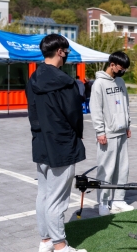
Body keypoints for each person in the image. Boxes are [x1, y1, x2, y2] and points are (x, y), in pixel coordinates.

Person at [26, 34, 87, 252]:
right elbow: (74, 114)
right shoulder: (65, 81)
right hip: (61, 143)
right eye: (67, 50)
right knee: (57, 198)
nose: (68, 54)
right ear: (60, 51)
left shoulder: (33, 79)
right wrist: (78, 135)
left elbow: (31, 112)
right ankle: (60, 245)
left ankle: (45, 241)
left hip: (40, 141)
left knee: (43, 194)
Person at [90, 51, 134, 216]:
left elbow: (126, 104)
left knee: (123, 168)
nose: (122, 71)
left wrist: (128, 124)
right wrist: (100, 131)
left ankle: (118, 200)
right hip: (107, 134)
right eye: (121, 68)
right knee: (106, 170)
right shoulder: (99, 84)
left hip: (121, 132)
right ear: (112, 64)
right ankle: (103, 202)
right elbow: (96, 110)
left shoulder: (121, 81)